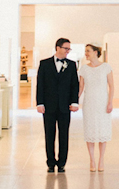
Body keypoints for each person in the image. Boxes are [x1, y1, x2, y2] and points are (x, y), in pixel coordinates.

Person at [36, 38, 79, 173]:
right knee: (49, 134)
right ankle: (50, 162)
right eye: (66, 48)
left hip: (65, 106)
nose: (68, 51)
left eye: (69, 49)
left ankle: (62, 163)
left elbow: (74, 85)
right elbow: (40, 85)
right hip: (48, 106)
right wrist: (40, 103)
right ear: (58, 48)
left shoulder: (71, 65)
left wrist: (74, 102)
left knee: (64, 134)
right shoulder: (44, 64)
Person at [78, 44, 114, 172]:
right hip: (89, 104)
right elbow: (81, 87)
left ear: (95, 52)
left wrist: (110, 102)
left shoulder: (106, 67)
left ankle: (101, 159)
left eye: (88, 51)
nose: (86, 54)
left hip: (102, 103)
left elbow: (111, 86)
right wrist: (75, 102)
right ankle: (92, 159)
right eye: (85, 51)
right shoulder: (84, 69)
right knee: (90, 131)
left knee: (102, 130)